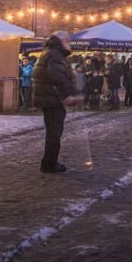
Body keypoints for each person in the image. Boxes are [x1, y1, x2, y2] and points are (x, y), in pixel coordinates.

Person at [32, 31, 81, 173]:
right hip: (52, 98)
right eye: (68, 41)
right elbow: (58, 76)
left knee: (53, 132)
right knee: (54, 133)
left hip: (50, 97)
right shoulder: (55, 55)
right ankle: (49, 164)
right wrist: (68, 94)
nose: (69, 44)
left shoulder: (51, 53)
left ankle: (49, 162)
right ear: (62, 41)